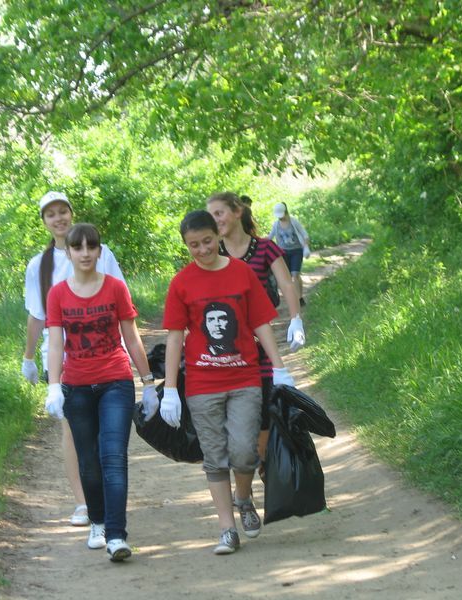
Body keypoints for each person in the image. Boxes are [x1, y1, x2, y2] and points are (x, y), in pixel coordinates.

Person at [160, 210, 296, 555]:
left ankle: (243, 498)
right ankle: (227, 529)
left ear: (218, 236)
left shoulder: (241, 273)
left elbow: (261, 322)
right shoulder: (181, 283)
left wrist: (279, 368)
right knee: (215, 456)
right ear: (186, 245)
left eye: (207, 241)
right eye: (193, 245)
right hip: (202, 384)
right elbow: (175, 337)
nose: (202, 249)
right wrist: (171, 388)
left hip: (244, 379)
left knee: (245, 451)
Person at [44, 222, 158, 562]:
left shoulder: (115, 288)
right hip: (76, 387)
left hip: (115, 382)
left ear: (99, 250)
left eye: (91, 247)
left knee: (113, 456)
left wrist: (148, 383)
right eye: (78, 247)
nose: (85, 253)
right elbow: (56, 343)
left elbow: (132, 337)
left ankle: (117, 535)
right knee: (89, 461)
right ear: (68, 253)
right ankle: (97, 522)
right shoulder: (58, 294)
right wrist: (54, 386)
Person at [21, 190, 126, 528]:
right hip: (62, 359)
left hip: (104, 354)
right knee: (73, 432)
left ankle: (107, 496)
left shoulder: (100, 252)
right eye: (51, 214)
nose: (58, 218)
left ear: (71, 213)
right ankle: (83, 501)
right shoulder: (39, 266)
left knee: (107, 432)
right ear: (44, 221)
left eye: (62, 211)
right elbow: (37, 315)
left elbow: (121, 303)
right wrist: (28, 358)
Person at [206, 192, 304, 473]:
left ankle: (263, 467)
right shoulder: (213, 252)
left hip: (260, 342)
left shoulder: (265, 248)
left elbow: (286, 284)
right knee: (227, 411)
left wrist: (296, 319)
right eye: (211, 216)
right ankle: (242, 471)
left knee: (263, 408)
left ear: (237, 212)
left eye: (219, 213)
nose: (215, 220)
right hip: (224, 346)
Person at [268, 201, 311, 307]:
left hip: (296, 251)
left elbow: (305, 234)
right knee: (286, 277)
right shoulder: (276, 225)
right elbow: (269, 237)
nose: (280, 217)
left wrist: (306, 247)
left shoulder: (293, 222)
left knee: (295, 274)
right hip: (283, 253)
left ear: (286, 212)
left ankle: (299, 298)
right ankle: (291, 298)